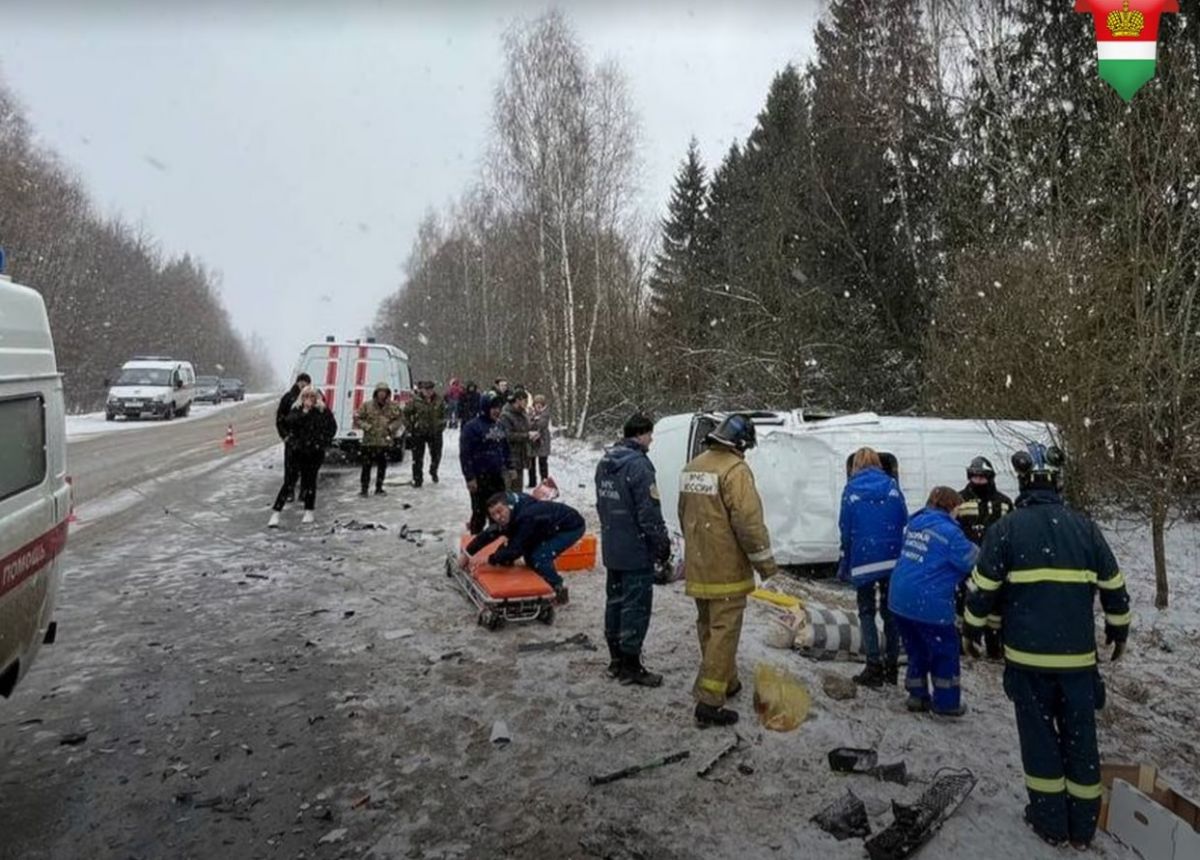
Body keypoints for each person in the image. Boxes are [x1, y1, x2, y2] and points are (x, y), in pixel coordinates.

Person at [965, 443, 1130, 850]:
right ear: (1057, 482)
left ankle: (1050, 822)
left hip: (1027, 663)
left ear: (1022, 481)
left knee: (1039, 742)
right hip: (1077, 662)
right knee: (1081, 740)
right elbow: (1114, 586)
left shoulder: (1007, 529)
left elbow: (982, 590)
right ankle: (1083, 827)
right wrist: (1118, 628)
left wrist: (970, 628)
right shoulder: (1085, 528)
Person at [679, 414, 779, 727]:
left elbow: (683, 514)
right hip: (726, 569)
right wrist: (765, 563)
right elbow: (748, 524)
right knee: (724, 631)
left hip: (699, 564)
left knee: (708, 624)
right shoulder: (735, 471)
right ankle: (709, 702)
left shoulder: (693, 466)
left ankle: (727, 679)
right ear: (740, 443)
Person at [595, 413, 671, 687]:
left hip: (613, 545)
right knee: (636, 607)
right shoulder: (639, 466)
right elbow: (648, 512)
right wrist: (661, 544)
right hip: (636, 548)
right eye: (649, 434)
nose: (651, 439)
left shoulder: (605, 462)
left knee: (614, 603)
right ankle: (631, 665)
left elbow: (601, 504)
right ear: (639, 434)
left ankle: (615, 659)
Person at [888, 487, 979, 717]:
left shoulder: (915, 524)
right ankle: (947, 703)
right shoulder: (950, 532)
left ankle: (917, 696)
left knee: (916, 649)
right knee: (945, 652)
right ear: (950, 507)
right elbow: (971, 560)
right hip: (929, 604)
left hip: (899, 599)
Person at [839, 447, 908, 688]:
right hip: (891, 557)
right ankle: (891, 666)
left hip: (864, 557)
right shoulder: (892, 487)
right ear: (879, 463)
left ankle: (873, 666)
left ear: (855, 465)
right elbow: (903, 518)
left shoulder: (851, 490)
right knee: (891, 613)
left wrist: (845, 557)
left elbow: (845, 527)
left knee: (867, 611)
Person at [461, 492, 584, 606]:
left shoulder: (526, 517)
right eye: (493, 515)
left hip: (570, 526)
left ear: (509, 506)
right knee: (528, 556)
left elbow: (516, 549)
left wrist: (489, 559)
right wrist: (467, 553)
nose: (498, 517)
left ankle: (558, 590)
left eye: (500, 511)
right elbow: (489, 534)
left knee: (539, 557)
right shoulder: (511, 511)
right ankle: (540, 585)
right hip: (545, 525)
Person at [956, 456, 1013, 659]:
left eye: (982, 478)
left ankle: (994, 646)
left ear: (990, 478)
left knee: (995, 609)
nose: (978, 481)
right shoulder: (960, 501)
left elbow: (1013, 534)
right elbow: (953, 532)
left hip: (997, 565)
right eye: (974, 477)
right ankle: (966, 644)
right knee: (966, 604)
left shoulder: (1004, 503)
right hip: (967, 564)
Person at [269, 386, 336, 526]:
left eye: (312, 396)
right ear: (302, 397)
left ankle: (309, 510)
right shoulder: (296, 410)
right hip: (296, 451)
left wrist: (323, 442)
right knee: (289, 482)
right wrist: (290, 440)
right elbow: (288, 423)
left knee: (310, 480)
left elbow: (331, 428)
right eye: (306, 396)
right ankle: (276, 512)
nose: (309, 399)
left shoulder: (323, 411)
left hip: (314, 452)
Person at [459, 391, 511, 534]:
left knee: (499, 512)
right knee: (479, 512)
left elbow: (505, 448)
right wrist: (469, 477)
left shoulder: (499, 426)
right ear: (485, 407)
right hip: (479, 479)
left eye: (499, 408)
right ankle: (475, 541)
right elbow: (465, 454)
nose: (497, 411)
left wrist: (509, 465)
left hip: (496, 476)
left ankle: (497, 541)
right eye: (494, 408)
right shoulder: (471, 427)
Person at [354, 381, 403, 497]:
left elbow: (400, 419)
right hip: (369, 442)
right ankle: (364, 489)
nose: (382, 394)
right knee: (366, 467)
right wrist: (367, 427)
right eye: (380, 392)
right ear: (376, 393)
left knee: (382, 466)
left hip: (384, 441)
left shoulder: (393, 407)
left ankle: (379, 488)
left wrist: (391, 428)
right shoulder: (367, 405)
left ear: (387, 393)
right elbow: (357, 418)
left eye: (384, 392)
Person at [274, 373, 312, 505]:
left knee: (306, 469)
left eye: (306, 382)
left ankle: (304, 492)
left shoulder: (312, 397)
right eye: (301, 382)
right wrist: (285, 436)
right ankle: (289, 492)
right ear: (297, 383)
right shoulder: (288, 398)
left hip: (308, 441)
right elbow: (280, 419)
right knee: (290, 468)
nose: (303, 384)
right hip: (292, 440)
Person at [404, 380, 447, 487]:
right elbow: (405, 414)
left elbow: (445, 414)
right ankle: (418, 479)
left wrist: (442, 424)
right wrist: (410, 426)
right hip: (419, 432)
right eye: (426, 390)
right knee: (417, 457)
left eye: (430, 389)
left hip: (435, 432)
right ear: (421, 390)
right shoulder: (415, 401)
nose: (428, 392)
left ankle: (433, 470)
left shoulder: (439, 400)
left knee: (436, 455)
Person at [499, 391, 539, 493]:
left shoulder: (523, 414)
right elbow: (508, 436)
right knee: (508, 491)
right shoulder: (505, 416)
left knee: (518, 493)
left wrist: (533, 436)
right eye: (525, 401)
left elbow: (526, 429)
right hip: (509, 458)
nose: (527, 404)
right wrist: (526, 436)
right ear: (518, 400)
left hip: (521, 458)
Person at [528, 394, 552, 487]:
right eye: (536, 403)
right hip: (532, 440)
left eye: (540, 404)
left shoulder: (545, 413)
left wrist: (534, 420)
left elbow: (542, 424)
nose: (538, 406)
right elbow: (528, 424)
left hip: (543, 440)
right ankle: (532, 481)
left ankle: (544, 481)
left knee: (543, 462)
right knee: (531, 463)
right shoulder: (531, 412)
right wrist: (534, 419)